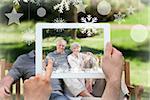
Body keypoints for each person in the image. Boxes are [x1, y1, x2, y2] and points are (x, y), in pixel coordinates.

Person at [22, 42, 125, 100]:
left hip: (83, 77)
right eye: (59, 46)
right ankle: (88, 96)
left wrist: (89, 59)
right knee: (68, 75)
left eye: (63, 46)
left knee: (108, 70)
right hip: (68, 81)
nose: (62, 48)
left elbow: (90, 59)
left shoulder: (73, 54)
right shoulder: (58, 56)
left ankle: (124, 96)